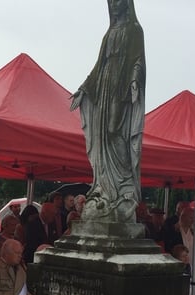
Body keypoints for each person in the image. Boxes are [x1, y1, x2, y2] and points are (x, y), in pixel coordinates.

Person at [70, 0, 144, 222]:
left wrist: (134, 81)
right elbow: (98, 65)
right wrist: (84, 87)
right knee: (103, 135)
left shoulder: (134, 30)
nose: (114, 5)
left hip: (121, 85)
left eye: (118, 1)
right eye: (111, 1)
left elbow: (138, 60)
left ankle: (123, 184)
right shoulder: (109, 32)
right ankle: (104, 185)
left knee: (115, 130)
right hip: (104, 84)